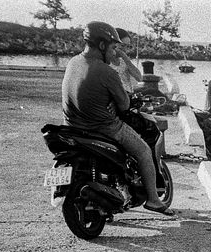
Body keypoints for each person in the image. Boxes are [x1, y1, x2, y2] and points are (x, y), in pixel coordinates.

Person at [62, 21, 170, 214]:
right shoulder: (107, 71)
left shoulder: (73, 62)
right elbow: (124, 105)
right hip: (103, 127)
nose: (114, 52)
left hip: (72, 125)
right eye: (113, 48)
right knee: (144, 151)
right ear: (102, 46)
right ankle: (154, 200)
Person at [110, 28, 142, 94]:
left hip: (128, 97)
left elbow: (139, 78)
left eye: (127, 46)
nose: (125, 49)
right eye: (122, 45)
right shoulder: (105, 62)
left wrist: (125, 58)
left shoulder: (124, 61)